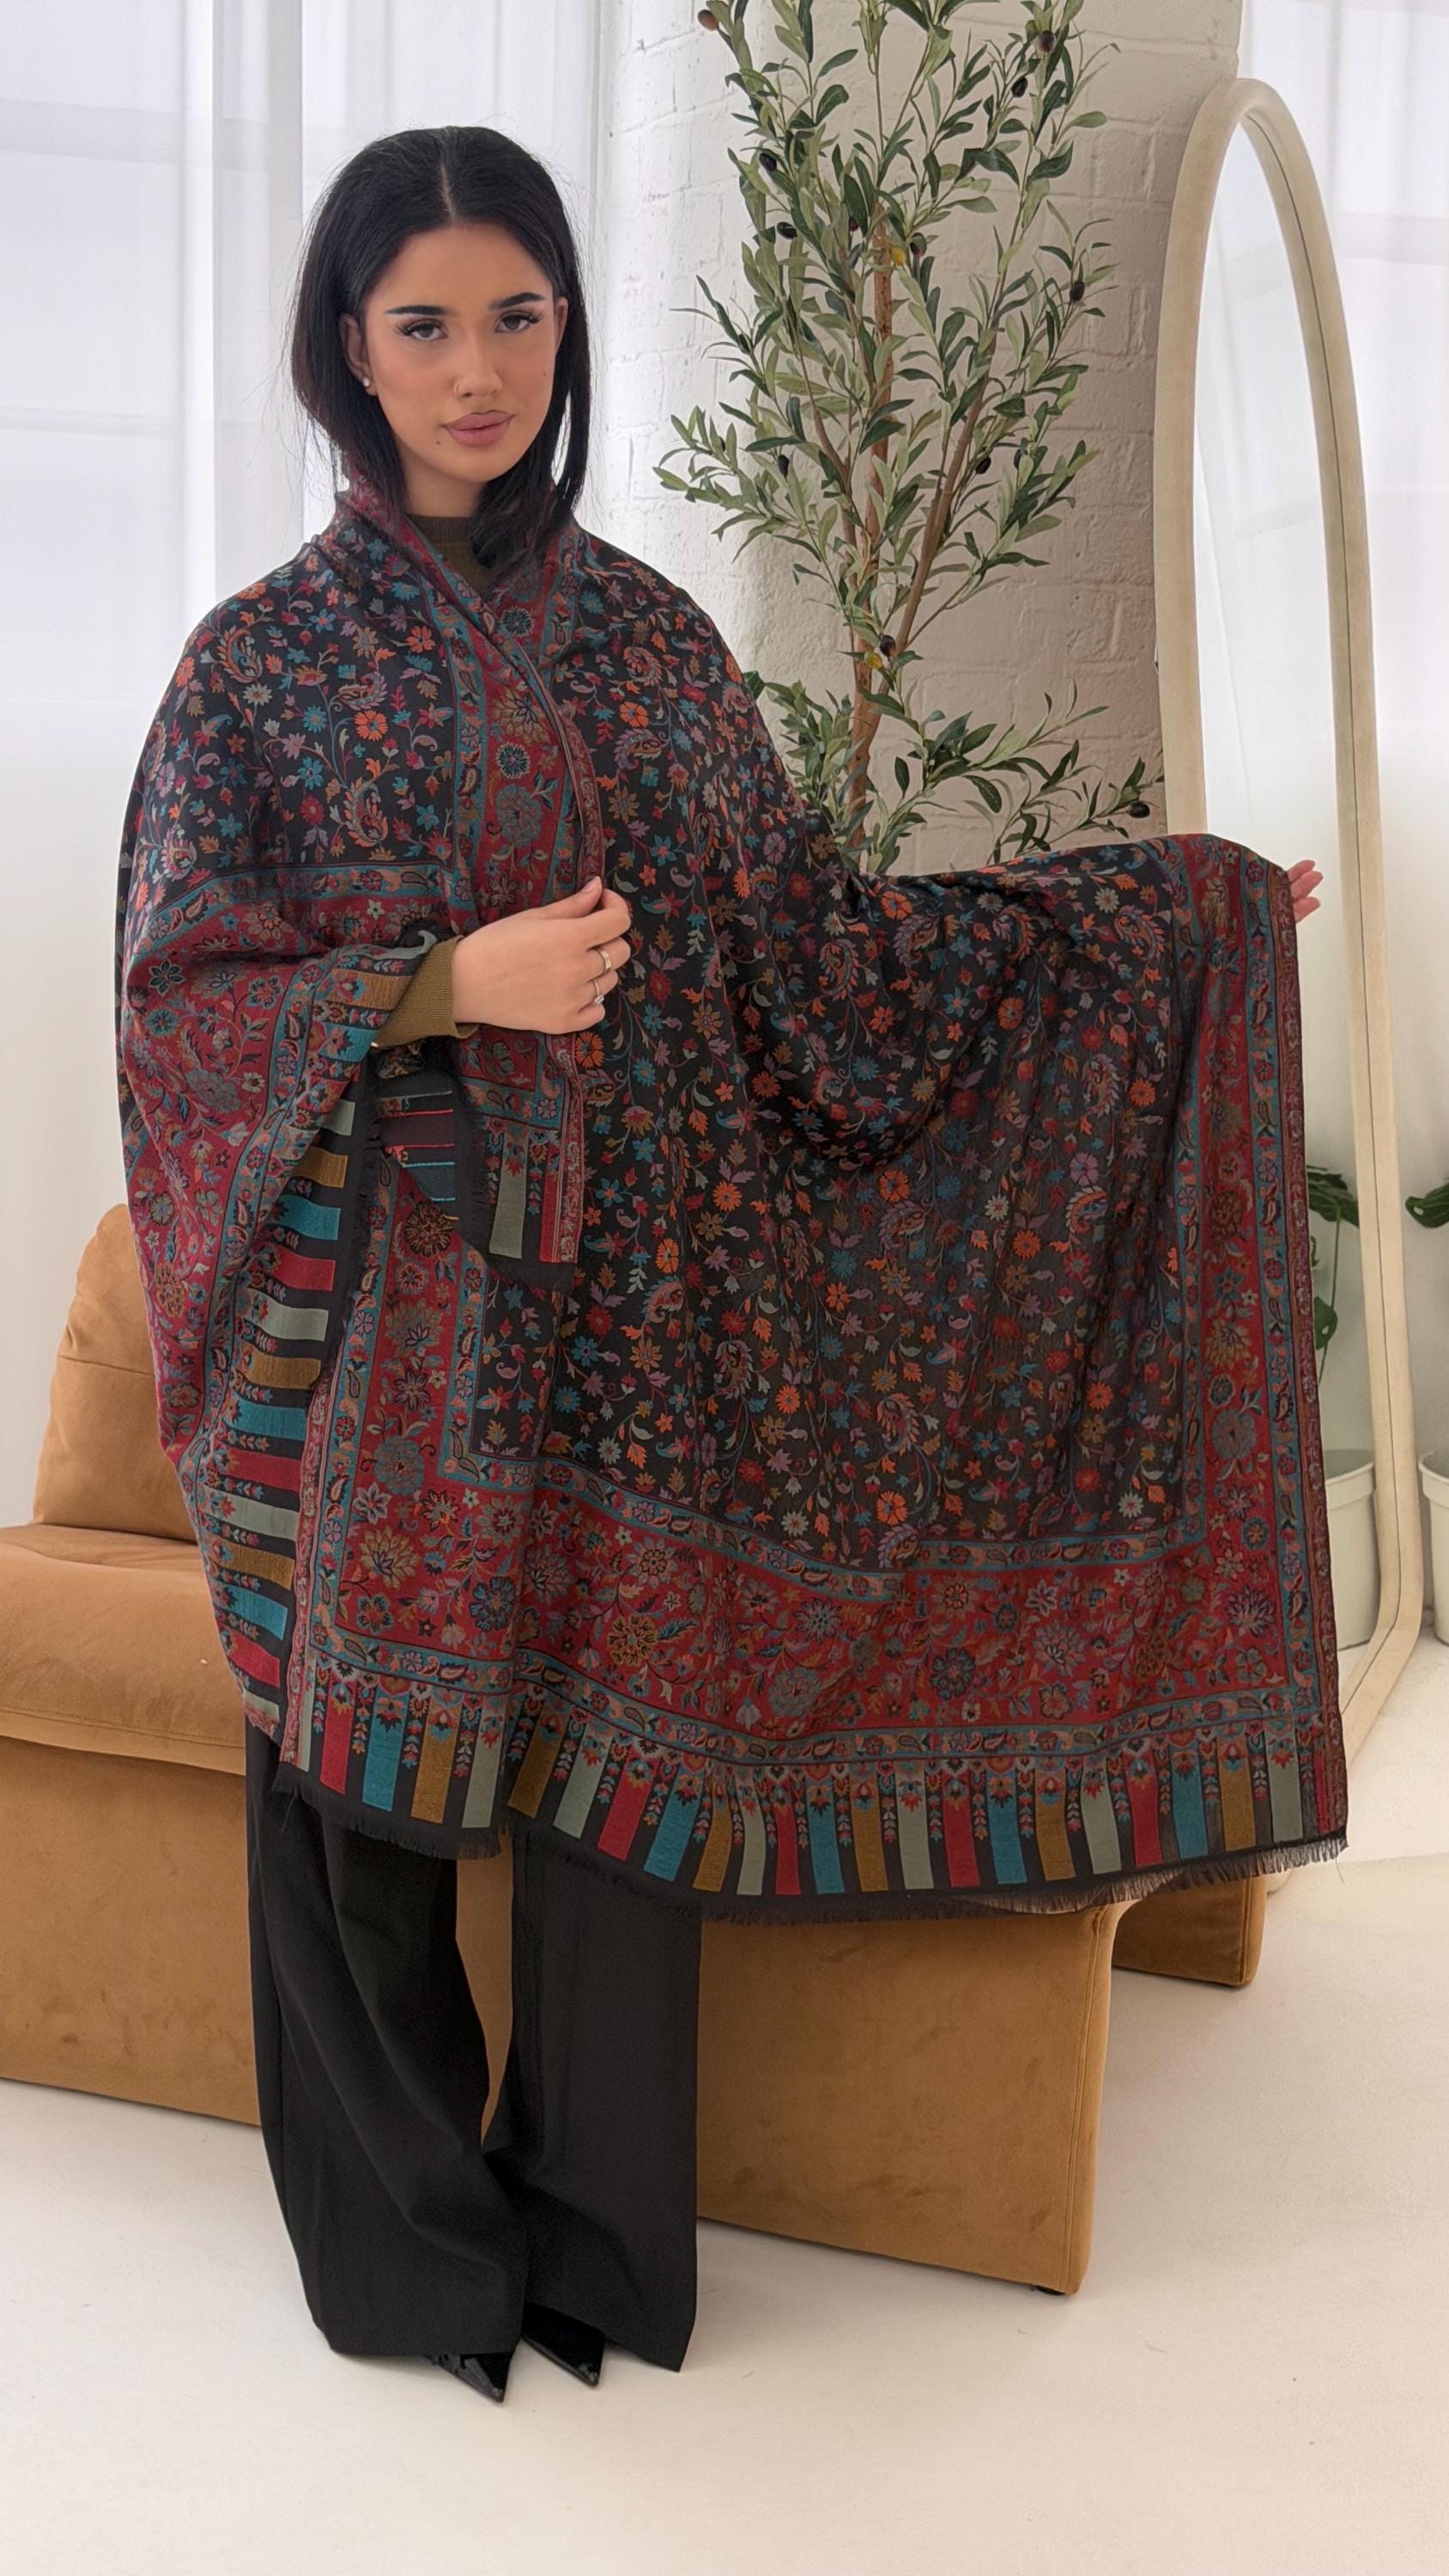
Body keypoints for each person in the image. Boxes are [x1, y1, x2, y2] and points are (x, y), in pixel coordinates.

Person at [117, 122, 1337, 2406]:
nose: (475, 369)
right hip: (396, 1329)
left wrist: (1173, 921)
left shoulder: (658, 653)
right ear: (342, 349)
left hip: (648, 1322)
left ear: (563, 330)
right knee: (363, 1778)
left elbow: (833, 962)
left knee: (607, 1786)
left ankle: (593, 2253)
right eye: (423, 323)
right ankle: (411, 2263)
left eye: (516, 315)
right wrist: (440, 980)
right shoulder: (255, 676)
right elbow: (181, 1002)